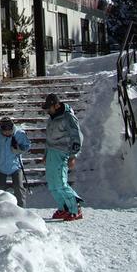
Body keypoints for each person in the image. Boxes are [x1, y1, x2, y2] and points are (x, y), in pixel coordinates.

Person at [42, 92, 84, 221]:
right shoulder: (52, 117)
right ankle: (63, 208)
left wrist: (73, 155)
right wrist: (46, 154)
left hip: (62, 153)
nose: (47, 110)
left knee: (60, 182)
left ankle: (75, 209)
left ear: (56, 105)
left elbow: (77, 136)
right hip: (51, 153)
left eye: (49, 107)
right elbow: (49, 137)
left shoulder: (68, 117)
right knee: (53, 184)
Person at [0, 116, 31, 207]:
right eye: (5, 131)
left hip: (16, 166)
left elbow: (27, 146)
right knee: (0, 190)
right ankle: (1, 208)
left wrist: (19, 149)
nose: (8, 132)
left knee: (18, 188)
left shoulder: (19, 134)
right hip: (0, 166)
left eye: (10, 130)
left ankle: (21, 209)